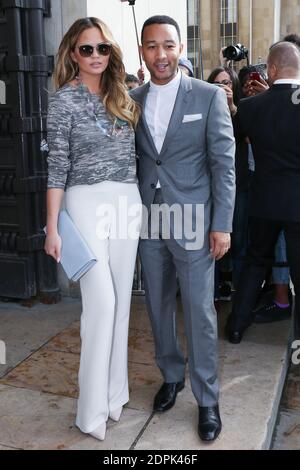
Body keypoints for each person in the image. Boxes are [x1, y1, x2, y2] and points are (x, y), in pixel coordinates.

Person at [131, 15, 236, 442]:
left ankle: (207, 399)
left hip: (194, 223)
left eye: (169, 45)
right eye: (152, 46)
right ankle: (171, 376)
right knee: (157, 305)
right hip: (149, 219)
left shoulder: (208, 96)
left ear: (181, 49)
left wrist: (222, 224)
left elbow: (224, 166)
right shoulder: (130, 99)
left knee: (199, 312)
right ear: (143, 51)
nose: (161, 54)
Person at [44, 17, 141, 441]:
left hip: (127, 202)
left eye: (102, 48)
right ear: (72, 53)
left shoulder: (125, 96)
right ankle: (90, 411)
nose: (96, 55)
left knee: (121, 304)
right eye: (87, 49)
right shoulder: (63, 101)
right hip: (84, 202)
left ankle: (114, 396)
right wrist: (52, 227)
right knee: (100, 303)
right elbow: (56, 168)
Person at [226, 41, 300, 344]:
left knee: (256, 262)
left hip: (263, 201)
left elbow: (232, 136)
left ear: (271, 69)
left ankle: (236, 326)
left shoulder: (250, 107)